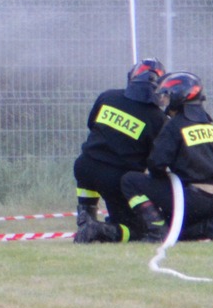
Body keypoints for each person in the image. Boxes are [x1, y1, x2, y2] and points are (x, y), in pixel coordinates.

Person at [120, 71, 213, 242]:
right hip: (211, 199)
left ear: (179, 96)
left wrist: (158, 181)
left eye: (168, 96)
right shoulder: (209, 124)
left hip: (188, 198)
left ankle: (155, 229)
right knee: (175, 232)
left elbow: (156, 163)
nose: (165, 101)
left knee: (130, 180)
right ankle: (209, 225)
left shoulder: (175, 125)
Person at [72, 59, 167, 243]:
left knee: (88, 182)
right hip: (117, 179)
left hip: (85, 165)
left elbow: (92, 124)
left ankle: (85, 220)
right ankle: (97, 231)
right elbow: (157, 158)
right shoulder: (158, 119)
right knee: (137, 230)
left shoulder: (108, 97)